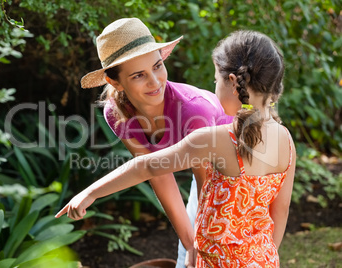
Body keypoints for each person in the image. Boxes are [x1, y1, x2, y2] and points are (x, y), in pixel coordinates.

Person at [57, 29, 296, 266]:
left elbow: (150, 168)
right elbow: (280, 210)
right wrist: (264, 256)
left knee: (190, 254)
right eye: (138, 75)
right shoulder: (286, 141)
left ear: (233, 82)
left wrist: (90, 193)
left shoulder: (207, 134)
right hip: (258, 255)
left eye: (215, 80)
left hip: (216, 228)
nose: (153, 80)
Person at [79, 17, 232, 267]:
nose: (155, 81)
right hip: (207, 177)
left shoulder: (194, 111)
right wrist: (190, 243)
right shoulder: (117, 112)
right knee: (190, 255)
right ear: (114, 82)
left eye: (158, 66)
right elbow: (157, 173)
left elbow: (210, 186)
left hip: (241, 171)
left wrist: (201, 243)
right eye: (139, 75)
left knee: (215, 254)